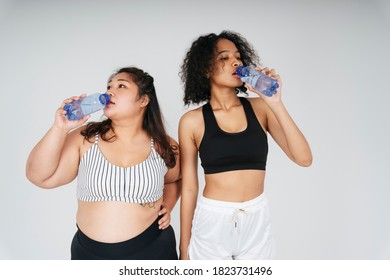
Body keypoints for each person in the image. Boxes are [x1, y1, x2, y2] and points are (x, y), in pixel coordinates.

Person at [178, 31, 312, 260]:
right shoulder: (192, 121)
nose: (236, 62)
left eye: (238, 57)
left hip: (256, 219)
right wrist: (184, 249)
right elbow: (189, 187)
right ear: (205, 68)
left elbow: (304, 159)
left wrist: (276, 103)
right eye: (224, 57)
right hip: (213, 220)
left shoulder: (261, 108)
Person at [26, 66, 181, 260]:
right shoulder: (87, 137)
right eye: (108, 86)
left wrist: (168, 203)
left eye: (121, 86)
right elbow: (38, 176)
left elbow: (175, 179)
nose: (109, 91)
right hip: (90, 254)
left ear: (143, 100)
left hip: (152, 249)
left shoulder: (163, 145)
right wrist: (60, 127)